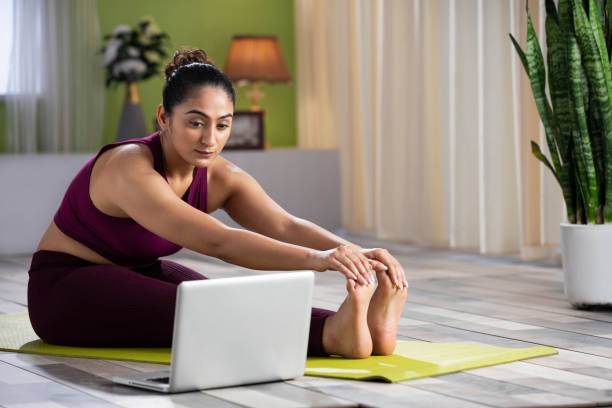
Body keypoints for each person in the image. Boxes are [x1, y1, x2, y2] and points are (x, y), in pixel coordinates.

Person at [27, 48, 408, 359]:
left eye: (222, 125)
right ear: (164, 117)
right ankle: (331, 336)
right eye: (196, 123)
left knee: (225, 303)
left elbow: (283, 225)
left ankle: (360, 329)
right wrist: (321, 261)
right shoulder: (129, 167)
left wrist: (353, 252)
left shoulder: (222, 176)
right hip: (66, 288)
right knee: (209, 315)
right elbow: (218, 242)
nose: (210, 138)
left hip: (140, 272)